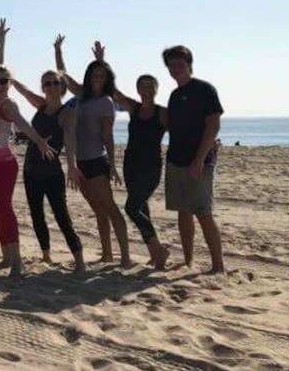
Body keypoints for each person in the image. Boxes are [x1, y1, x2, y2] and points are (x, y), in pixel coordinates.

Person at [0, 19, 57, 276]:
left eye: (4, 81)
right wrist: (1, 38)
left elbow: (24, 124)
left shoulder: (9, 105)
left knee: (5, 209)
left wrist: (39, 141)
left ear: (10, 83)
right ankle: (6, 257)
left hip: (4, 165)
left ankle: (16, 262)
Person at [92, 41, 171, 268]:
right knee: (142, 207)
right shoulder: (134, 108)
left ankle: (158, 249)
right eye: (142, 86)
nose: (146, 90)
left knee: (131, 208)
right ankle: (155, 253)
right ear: (138, 90)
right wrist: (101, 62)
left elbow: (183, 131)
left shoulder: (163, 113)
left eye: (150, 86)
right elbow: (111, 90)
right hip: (131, 165)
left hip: (151, 168)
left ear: (155, 89)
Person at [55, 35, 132, 268]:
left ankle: (126, 258)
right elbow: (62, 73)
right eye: (94, 75)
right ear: (89, 77)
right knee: (98, 210)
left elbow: (108, 135)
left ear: (106, 79)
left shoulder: (107, 102)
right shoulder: (80, 94)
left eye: (102, 76)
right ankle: (107, 254)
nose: (97, 79)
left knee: (111, 210)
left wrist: (113, 164)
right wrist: (58, 49)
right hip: (80, 164)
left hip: (97, 162)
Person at [11, 70, 86, 272]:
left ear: (62, 87)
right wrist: (9, 76)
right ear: (42, 87)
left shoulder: (67, 113)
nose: (51, 87)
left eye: (55, 83)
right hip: (30, 169)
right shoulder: (41, 105)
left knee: (62, 216)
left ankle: (79, 260)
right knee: (37, 215)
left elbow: (70, 138)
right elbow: (23, 90)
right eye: (47, 84)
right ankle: (46, 255)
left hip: (52, 172)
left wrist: (72, 165)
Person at [163, 45, 224, 273]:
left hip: (200, 161)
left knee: (203, 212)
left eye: (180, 63)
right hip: (175, 159)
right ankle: (188, 260)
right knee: (182, 211)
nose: (176, 68)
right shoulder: (175, 95)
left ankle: (218, 265)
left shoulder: (204, 89)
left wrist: (199, 159)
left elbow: (213, 124)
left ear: (189, 64)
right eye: (171, 65)